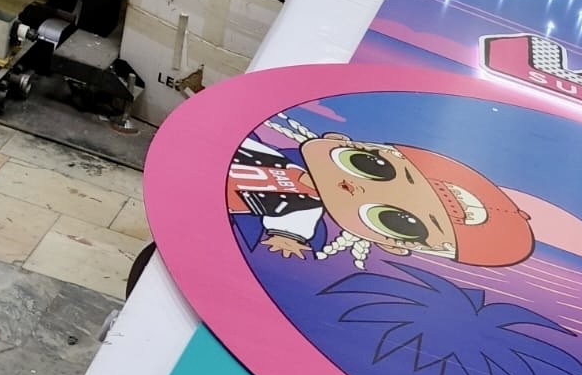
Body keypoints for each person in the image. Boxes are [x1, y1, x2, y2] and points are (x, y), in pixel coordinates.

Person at [226, 113, 534, 271]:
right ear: (337, 139)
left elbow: (290, 229)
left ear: (392, 246)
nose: (357, 188)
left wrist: (286, 239)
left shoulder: (303, 214)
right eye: (369, 163)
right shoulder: (257, 144)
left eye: (398, 221)